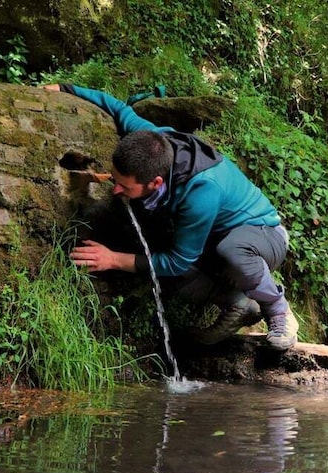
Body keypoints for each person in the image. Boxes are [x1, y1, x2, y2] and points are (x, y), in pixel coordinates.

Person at [45, 83, 298, 350]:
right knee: (161, 254)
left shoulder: (200, 190)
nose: (115, 189)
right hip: (211, 242)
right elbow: (118, 108)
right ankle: (237, 302)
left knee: (225, 251)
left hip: (263, 237)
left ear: (155, 182)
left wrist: (114, 259)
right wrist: (64, 87)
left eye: (124, 186)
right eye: (115, 179)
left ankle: (278, 310)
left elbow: (177, 262)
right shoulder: (150, 142)